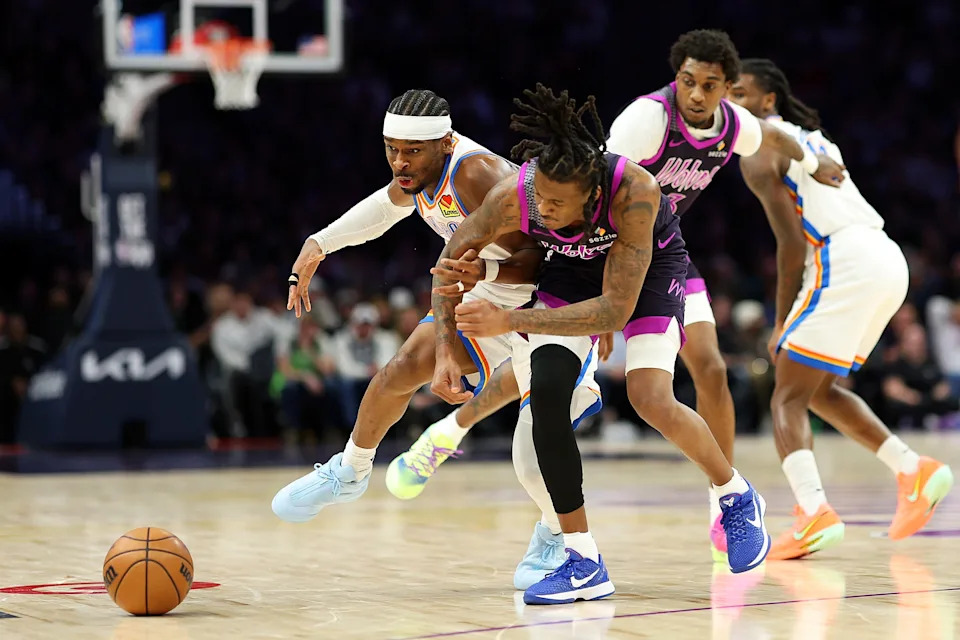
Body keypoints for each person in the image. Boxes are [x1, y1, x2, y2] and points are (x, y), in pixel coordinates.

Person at [431, 84, 770, 604]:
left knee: (650, 396)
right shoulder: (517, 193)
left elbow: (616, 307)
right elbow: (452, 256)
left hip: (651, 270)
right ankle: (583, 558)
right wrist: (444, 345)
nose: (541, 209)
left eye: (556, 202)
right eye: (538, 197)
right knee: (545, 392)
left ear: (591, 195)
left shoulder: (636, 192)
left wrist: (508, 319)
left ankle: (735, 494)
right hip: (569, 271)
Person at [270, 90, 604, 586]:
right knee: (401, 369)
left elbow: (537, 260)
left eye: (411, 152)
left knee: (531, 462)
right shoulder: (419, 171)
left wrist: (479, 271)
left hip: (543, 307)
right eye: (391, 149)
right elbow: (388, 207)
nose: (399, 162)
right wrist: (319, 244)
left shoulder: (478, 175)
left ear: (445, 143)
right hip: (480, 293)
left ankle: (557, 535)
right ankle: (350, 471)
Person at [604, 29, 846, 561]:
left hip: (666, 252)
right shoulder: (647, 119)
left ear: (726, 87)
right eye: (688, 81)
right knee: (571, 382)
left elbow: (776, 138)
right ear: (677, 78)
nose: (695, 94)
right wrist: (603, 298)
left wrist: (812, 162)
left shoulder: (732, 124)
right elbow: (599, 193)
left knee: (710, 370)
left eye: (709, 85)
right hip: (607, 253)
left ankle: (726, 499)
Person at [727, 58, 953, 560]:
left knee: (785, 396)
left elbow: (788, 243)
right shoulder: (813, 137)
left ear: (768, 101)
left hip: (842, 258)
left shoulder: (760, 147)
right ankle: (913, 470)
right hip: (886, 257)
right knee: (818, 390)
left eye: (739, 94)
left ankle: (813, 513)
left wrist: (782, 318)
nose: (730, 105)